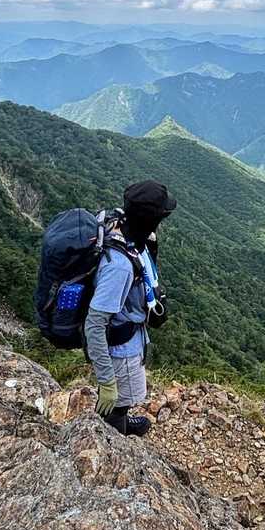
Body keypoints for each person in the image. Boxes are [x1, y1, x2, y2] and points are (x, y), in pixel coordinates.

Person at [86, 180, 176, 436]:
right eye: (160, 217)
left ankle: (121, 418)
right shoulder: (120, 267)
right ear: (150, 220)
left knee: (122, 402)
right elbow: (94, 324)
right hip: (120, 350)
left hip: (130, 340)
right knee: (115, 405)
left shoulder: (126, 234)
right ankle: (115, 437)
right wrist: (106, 381)